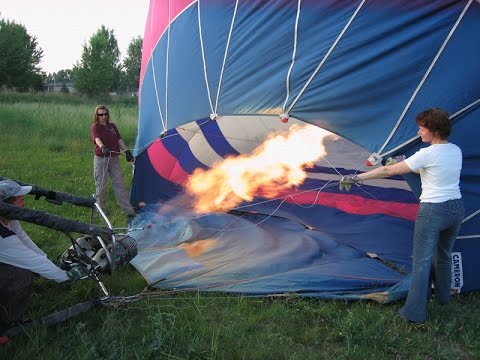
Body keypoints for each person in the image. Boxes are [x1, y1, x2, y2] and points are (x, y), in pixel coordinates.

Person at [340, 108, 464, 324]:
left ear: (433, 130)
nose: (418, 133)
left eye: (421, 128)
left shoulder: (427, 153)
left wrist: (356, 177)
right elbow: (430, 169)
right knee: (443, 255)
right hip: (455, 209)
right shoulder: (455, 150)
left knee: (422, 262)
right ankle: (444, 300)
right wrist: (401, 165)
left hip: (433, 210)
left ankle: (414, 313)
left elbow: (387, 172)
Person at [0, 180, 86, 335]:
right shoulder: (4, 237)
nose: (24, 204)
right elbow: (33, 261)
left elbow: (24, 240)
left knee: (29, 265)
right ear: (8, 206)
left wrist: (49, 259)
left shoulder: (9, 219)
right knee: (22, 274)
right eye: (20, 201)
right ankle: (11, 321)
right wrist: (66, 277)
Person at [91, 105, 136, 217]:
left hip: (114, 159)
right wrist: (102, 147)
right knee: (101, 187)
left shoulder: (112, 126)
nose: (103, 116)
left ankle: (129, 211)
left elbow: (119, 139)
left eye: (105, 114)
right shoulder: (95, 127)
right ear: (97, 115)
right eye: (101, 114)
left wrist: (126, 151)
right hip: (101, 159)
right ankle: (101, 213)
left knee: (120, 185)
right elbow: (97, 138)